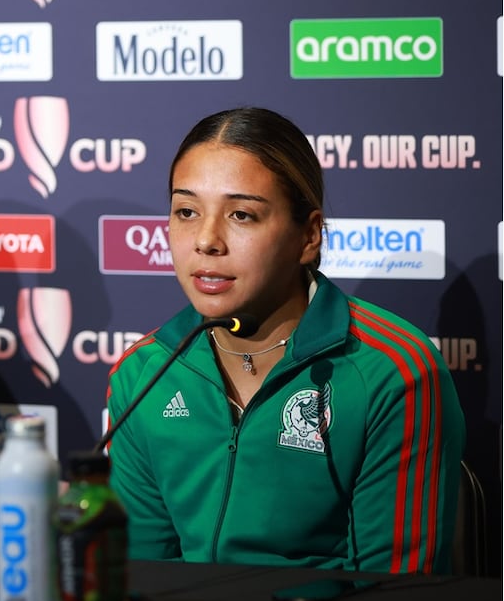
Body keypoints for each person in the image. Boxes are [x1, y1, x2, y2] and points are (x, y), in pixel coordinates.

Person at [105, 107, 465, 574]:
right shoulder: (144, 373)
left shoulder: (394, 372)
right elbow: (144, 574)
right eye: (187, 212)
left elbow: (393, 595)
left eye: (242, 214)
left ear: (309, 236)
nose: (207, 241)